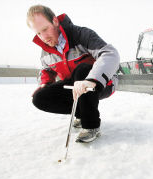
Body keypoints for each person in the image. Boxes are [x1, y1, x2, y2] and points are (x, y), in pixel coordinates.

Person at [27, 5, 120, 143]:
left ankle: (91, 126)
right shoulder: (46, 50)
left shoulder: (80, 34)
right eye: (39, 33)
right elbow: (46, 69)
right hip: (75, 87)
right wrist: (45, 82)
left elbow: (110, 54)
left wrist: (92, 79)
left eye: (45, 29)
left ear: (55, 21)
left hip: (100, 83)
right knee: (39, 98)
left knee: (82, 69)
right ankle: (82, 113)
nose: (44, 37)